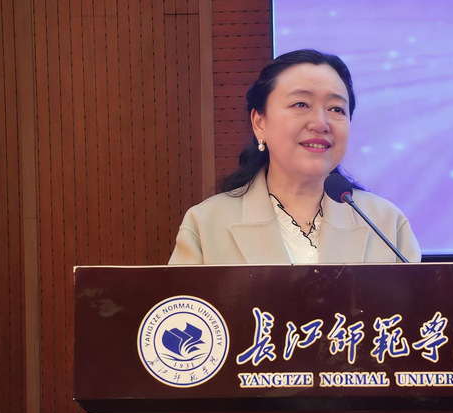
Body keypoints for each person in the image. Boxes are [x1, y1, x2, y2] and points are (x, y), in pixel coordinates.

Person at [169, 49, 421, 264]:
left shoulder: (387, 224)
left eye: (336, 109)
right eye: (301, 104)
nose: (320, 123)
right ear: (259, 122)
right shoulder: (206, 224)